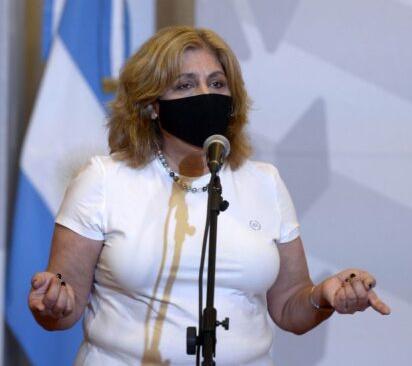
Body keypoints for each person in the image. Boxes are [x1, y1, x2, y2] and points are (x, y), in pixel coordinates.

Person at [27, 26, 390, 365]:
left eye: (217, 83)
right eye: (185, 85)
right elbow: (63, 309)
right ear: (152, 105)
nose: (205, 95)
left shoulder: (265, 183)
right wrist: (53, 303)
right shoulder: (104, 180)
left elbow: (288, 309)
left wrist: (323, 296)